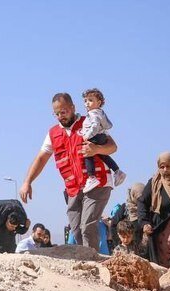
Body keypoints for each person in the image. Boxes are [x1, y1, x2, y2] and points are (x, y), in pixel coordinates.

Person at [19, 93, 118, 252]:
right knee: (76, 229)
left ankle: (91, 261)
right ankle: (87, 258)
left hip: (97, 182)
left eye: (63, 112)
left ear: (73, 108)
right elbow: (41, 158)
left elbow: (112, 147)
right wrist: (27, 182)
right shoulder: (53, 134)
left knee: (87, 226)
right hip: (73, 188)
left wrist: (97, 149)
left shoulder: (89, 121)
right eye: (56, 113)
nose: (60, 116)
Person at [79, 88, 125, 187]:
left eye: (90, 100)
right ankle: (117, 171)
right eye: (85, 101)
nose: (87, 103)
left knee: (87, 153)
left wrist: (87, 135)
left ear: (99, 102)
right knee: (102, 155)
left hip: (95, 136)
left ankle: (91, 177)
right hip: (101, 136)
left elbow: (95, 126)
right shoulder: (100, 112)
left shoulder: (93, 113)